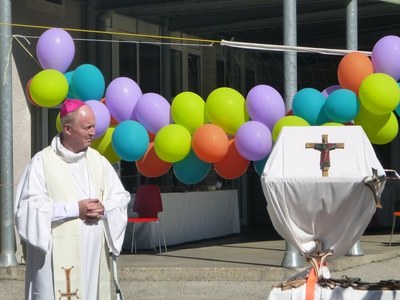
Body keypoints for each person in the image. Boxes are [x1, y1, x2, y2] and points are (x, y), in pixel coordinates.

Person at [14, 99, 131, 300]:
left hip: (93, 259)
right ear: (68, 129)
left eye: (93, 126)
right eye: (87, 127)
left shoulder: (98, 161)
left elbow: (120, 198)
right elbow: (27, 209)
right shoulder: (42, 162)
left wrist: (104, 208)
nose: (93, 132)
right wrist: (75, 209)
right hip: (54, 260)